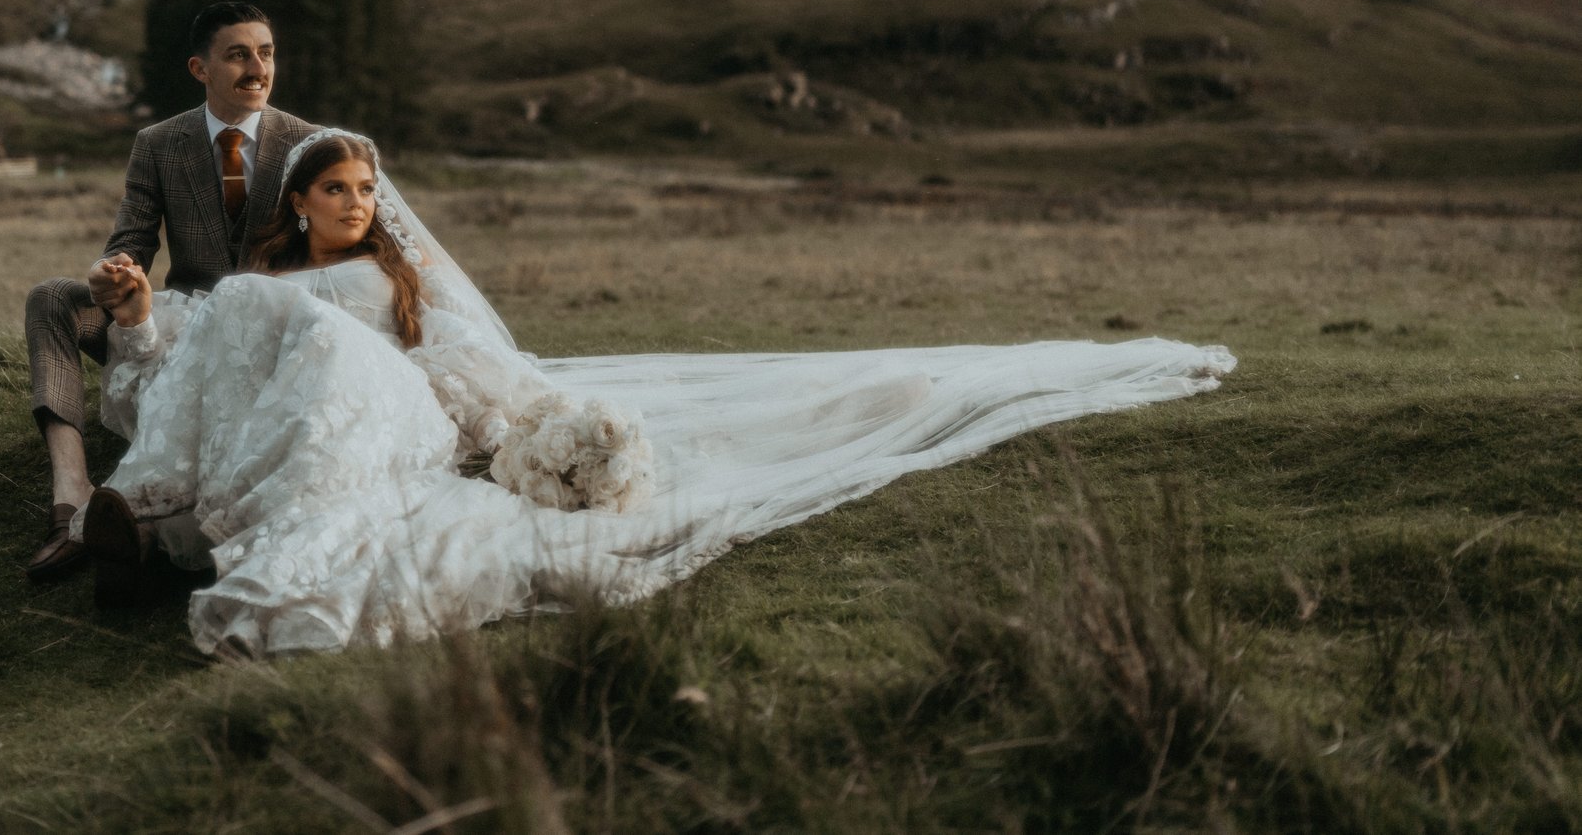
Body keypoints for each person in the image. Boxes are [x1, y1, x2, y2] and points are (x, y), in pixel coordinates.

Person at [68, 130, 1238, 658]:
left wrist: (498, 422)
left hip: (410, 401)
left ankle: (187, 527)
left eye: (368, 187)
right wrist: (139, 317)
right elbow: (206, 358)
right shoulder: (275, 277)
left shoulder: (399, 279)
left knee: (329, 360)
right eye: (336, 187)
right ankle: (165, 509)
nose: (358, 201)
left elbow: (479, 363)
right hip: (292, 392)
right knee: (257, 323)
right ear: (301, 199)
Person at [18, 2, 317, 580]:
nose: (258, 68)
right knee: (51, 297)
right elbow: (130, 240)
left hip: (273, 335)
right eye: (238, 55)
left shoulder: (307, 144)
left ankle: (150, 533)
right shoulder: (158, 143)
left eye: (267, 52)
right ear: (199, 69)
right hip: (180, 324)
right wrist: (116, 272)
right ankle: (71, 495)